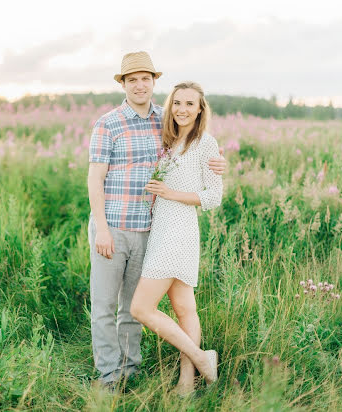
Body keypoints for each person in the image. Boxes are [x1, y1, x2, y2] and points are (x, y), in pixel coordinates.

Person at [87, 52, 226, 388]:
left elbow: (200, 160)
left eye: (145, 78)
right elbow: (95, 178)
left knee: (135, 310)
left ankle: (131, 371)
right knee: (106, 307)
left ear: (153, 82)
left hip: (151, 231)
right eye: (131, 79)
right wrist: (101, 228)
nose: (139, 85)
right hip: (113, 227)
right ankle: (109, 376)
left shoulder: (163, 123)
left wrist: (220, 164)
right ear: (123, 83)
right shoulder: (110, 123)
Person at [130, 81, 222, 396]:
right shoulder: (168, 141)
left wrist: (171, 194)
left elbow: (214, 196)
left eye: (190, 104)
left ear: (200, 110)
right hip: (161, 229)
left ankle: (200, 358)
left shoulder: (206, 144)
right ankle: (186, 384)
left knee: (141, 308)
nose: (183, 110)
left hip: (179, 231)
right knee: (184, 308)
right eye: (177, 103)